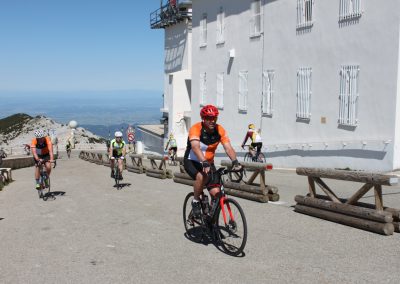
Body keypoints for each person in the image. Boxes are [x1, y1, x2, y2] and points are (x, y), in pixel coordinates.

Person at [184, 104, 242, 217]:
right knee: (201, 176)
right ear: (203, 118)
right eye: (209, 118)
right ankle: (195, 201)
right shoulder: (196, 129)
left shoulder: (220, 130)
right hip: (192, 161)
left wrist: (235, 162)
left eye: (214, 118)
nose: (212, 121)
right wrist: (204, 162)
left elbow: (228, 148)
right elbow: (195, 147)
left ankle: (211, 220)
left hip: (209, 163)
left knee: (217, 194)